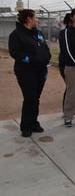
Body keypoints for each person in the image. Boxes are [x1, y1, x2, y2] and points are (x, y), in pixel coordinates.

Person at [8, 9, 51, 137]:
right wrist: (30, 59)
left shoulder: (38, 33)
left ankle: (34, 123)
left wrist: (46, 57)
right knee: (29, 98)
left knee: (35, 98)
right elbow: (14, 52)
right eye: (35, 17)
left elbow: (45, 47)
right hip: (26, 72)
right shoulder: (16, 35)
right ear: (28, 19)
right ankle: (26, 126)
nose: (37, 19)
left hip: (40, 71)